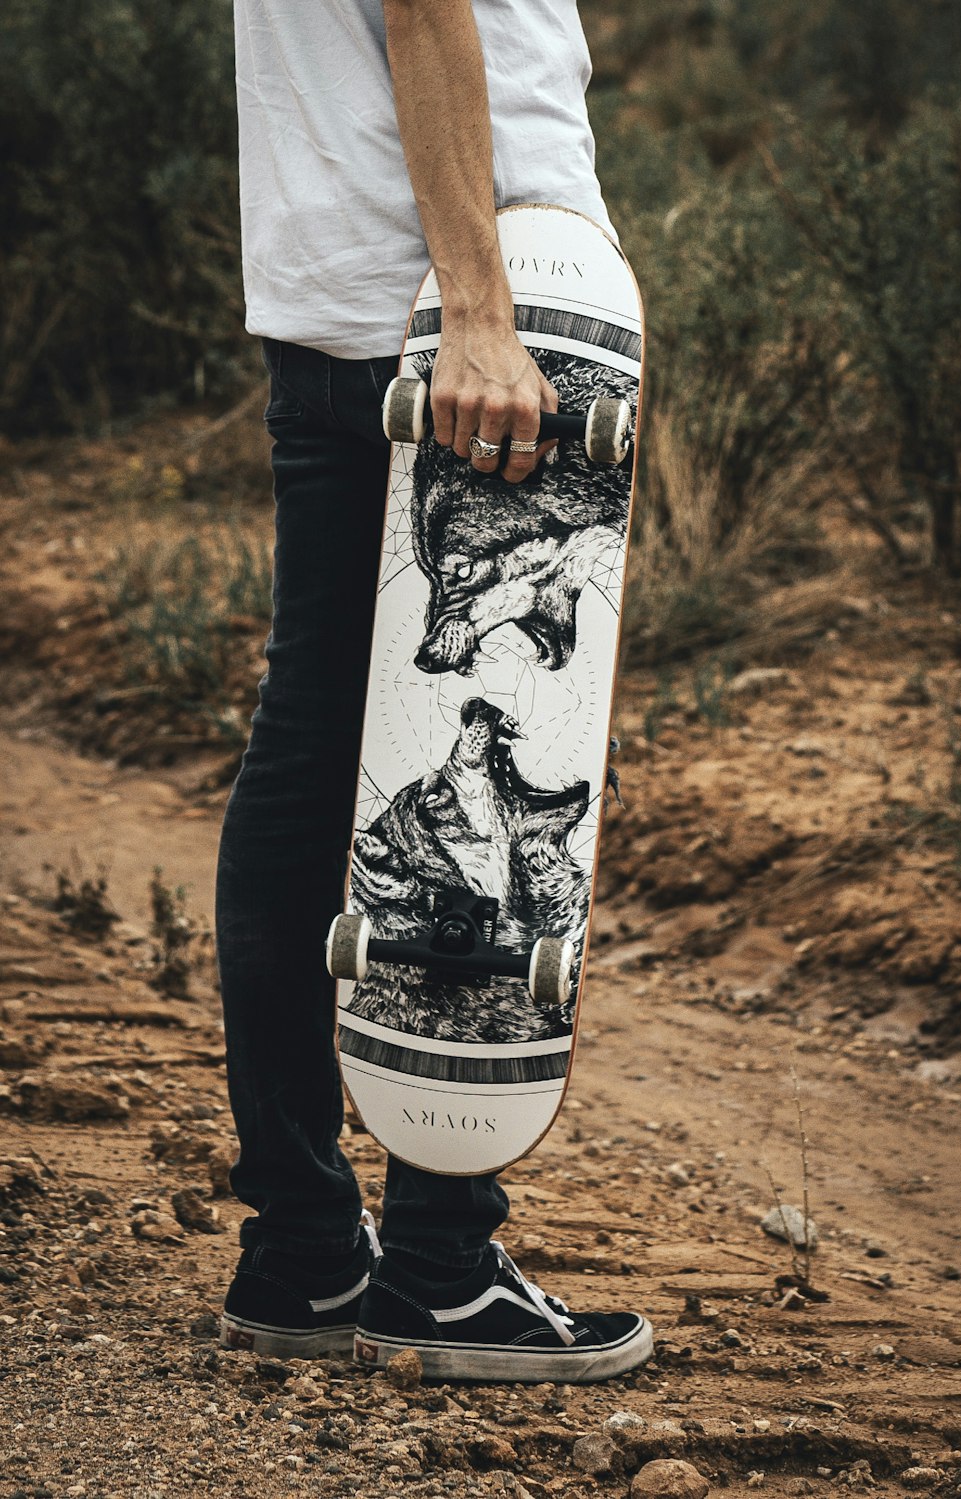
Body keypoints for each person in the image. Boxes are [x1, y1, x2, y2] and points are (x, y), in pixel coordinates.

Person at [217, 0, 653, 1382]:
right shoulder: (470, 313)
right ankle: (440, 1268)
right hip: (465, 332)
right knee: (487, 735)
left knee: (320, 747)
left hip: (352, 302)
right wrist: (479, 307)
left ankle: (301, 1252)